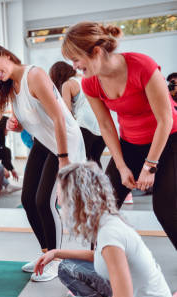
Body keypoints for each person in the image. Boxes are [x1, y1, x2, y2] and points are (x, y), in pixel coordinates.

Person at [0, 44, 86, 282]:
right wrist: (19, 126)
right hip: (44, 142)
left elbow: (58, 117)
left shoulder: (33, 75)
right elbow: (36, 119)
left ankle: (57, 260)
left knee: (44, 200)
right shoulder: (10, 87)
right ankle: (45, 254)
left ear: (5, 55)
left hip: (63, 142)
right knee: (27, 200)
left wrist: (63, 158)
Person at [35, 162, 174, 297]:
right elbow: (100, 256)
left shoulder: (110, 232)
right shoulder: (104, 220)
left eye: (61, 194)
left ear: (76, 199)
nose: (59, 201)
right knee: (66, 267)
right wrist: (57, 253)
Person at [62, 22, 177, 250]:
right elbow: (105, 125)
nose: (75, 67)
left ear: (95, 52)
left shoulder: (142, 66)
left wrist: (149, 166)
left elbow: (166, 119)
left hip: (169, 140)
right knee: (102, 207)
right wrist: (123, 167)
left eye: (76, 59)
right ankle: (94, 275)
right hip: (130, 143)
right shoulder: (90, 83)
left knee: (165, 207)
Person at [49, 61, 106, 167]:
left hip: (84, 124)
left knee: (80, 161)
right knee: (95, 160)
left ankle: (81, 183)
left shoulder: (67, 84)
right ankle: (99, 183)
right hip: (101, 125)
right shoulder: (86, 78)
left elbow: (66, 111)